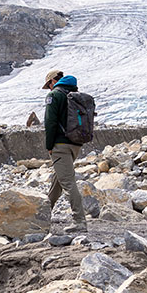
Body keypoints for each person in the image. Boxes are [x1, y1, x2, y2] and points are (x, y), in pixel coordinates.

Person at [43, 70, 87, 233]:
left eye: (48, 85)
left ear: (53, 81)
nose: (49, 88)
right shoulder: (75, 94)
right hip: (75, 144)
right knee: (58, 179)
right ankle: (45, 213)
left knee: (68, 182)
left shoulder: (55, 95)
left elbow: (50, 123)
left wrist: (49, 146)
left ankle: (79, 221)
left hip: (60, 146)